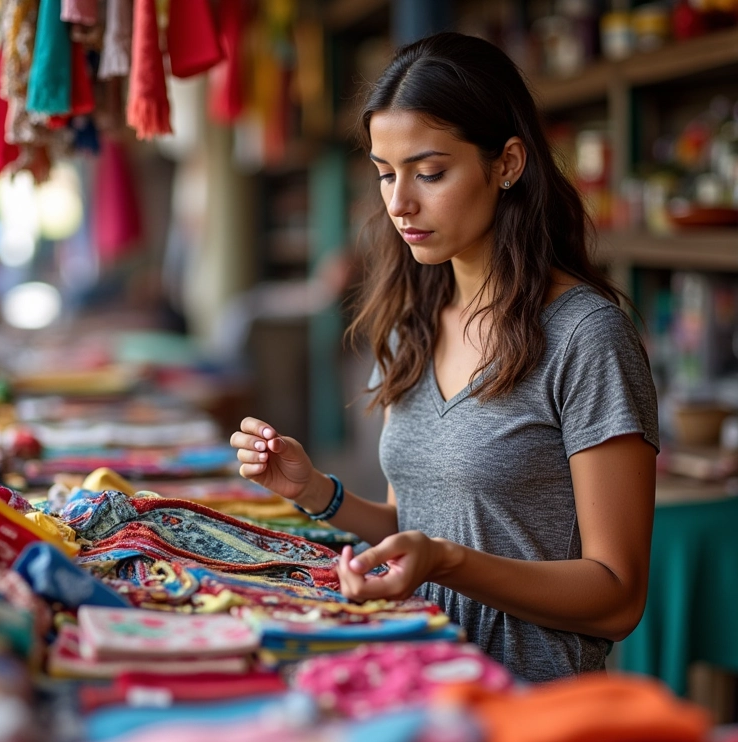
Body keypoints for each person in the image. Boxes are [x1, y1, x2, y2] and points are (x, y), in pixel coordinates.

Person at [230, 31, 659, 683]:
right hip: (414, 680)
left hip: (528, 704)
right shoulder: (412, 324)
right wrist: (313, 492)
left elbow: (617, 597)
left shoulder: (585, 336)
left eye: (430, 172)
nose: (400, 202)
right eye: (384, 173)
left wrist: (447, 561)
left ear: (508, 163)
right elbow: (413, 525)